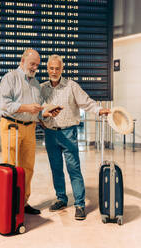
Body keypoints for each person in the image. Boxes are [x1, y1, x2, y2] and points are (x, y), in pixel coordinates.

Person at [41, 54, 110, 220]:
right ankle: (61, 199)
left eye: (57, 68)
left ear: (62, 69)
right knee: (56, 168)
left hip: (68, 133)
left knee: (74, 169)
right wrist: (40, 119)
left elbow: (86, 102)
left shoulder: (71, 86)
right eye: (51, 68)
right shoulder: (42, 88)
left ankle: (79, 204)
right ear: (47, 69)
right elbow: (38, 109)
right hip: (50, 133)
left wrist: (99, 109)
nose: (54, 71)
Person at [0, 48, 57, 215]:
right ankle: (9, 204)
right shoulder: (10, 78)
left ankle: (23, 203)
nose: (34, 68)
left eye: (37, 65)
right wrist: (26, 107)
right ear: (22, 61)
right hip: (11, 126)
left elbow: (36, 111)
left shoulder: (36, 84)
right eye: (32, 64)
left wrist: (45, 113)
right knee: (10, 166)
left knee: (28, 168)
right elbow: (4, 105)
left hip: (29, 128)